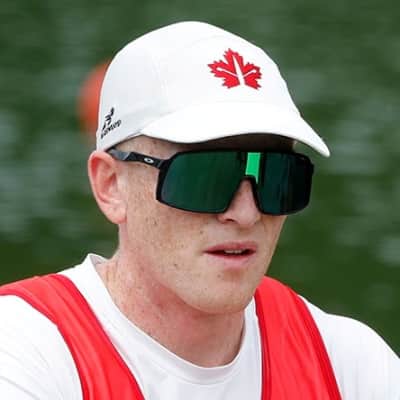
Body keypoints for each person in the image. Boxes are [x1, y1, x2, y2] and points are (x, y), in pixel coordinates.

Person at [0, 21, 398, 400]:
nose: (245, 213)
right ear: (111, 186)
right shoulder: (23, 351)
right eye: (205, 176)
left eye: (275, 175)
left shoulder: (350, 364)